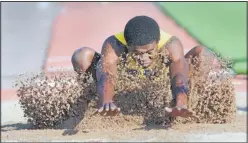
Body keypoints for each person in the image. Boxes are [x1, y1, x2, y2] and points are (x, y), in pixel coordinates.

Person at [71, 16, 221, 118]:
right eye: (137, 53)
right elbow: (106, 73)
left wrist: (181, 100)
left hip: (161, 84)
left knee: (204, 53)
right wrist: (106, 99)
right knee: (82, 55)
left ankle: (190, 105)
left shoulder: (171, 44)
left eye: (150, 52)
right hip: (123, 86)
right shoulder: (114, 44)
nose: (143, 58)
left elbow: (179, 76)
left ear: (158, 42)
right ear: (127, 45)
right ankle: (96, 106)